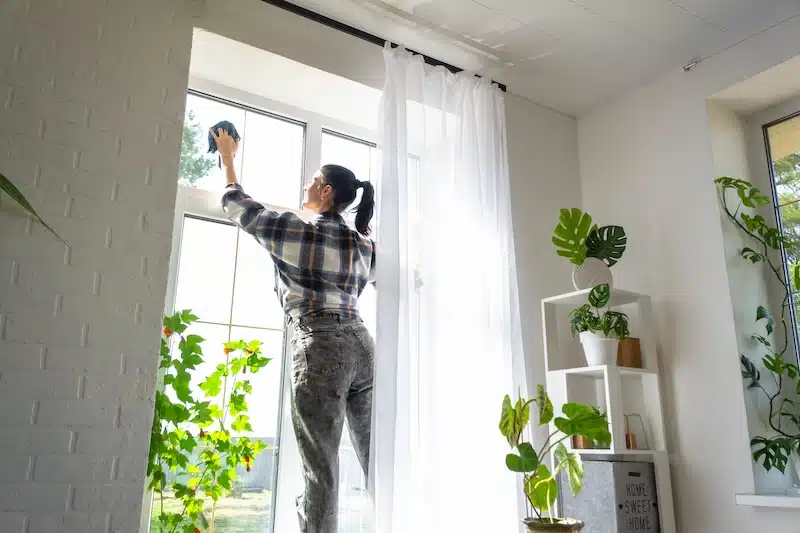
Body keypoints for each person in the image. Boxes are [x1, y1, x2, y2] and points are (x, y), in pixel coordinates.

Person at [210, 127, 376, 533]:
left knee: (321, 468)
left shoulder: (298, 231)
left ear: (326, 192)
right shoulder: (364, 246)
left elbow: (238, 204)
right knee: (377, 460)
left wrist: (228, 157)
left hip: (320, 346)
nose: (306, 184)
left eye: (312, 180)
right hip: (363, 346)